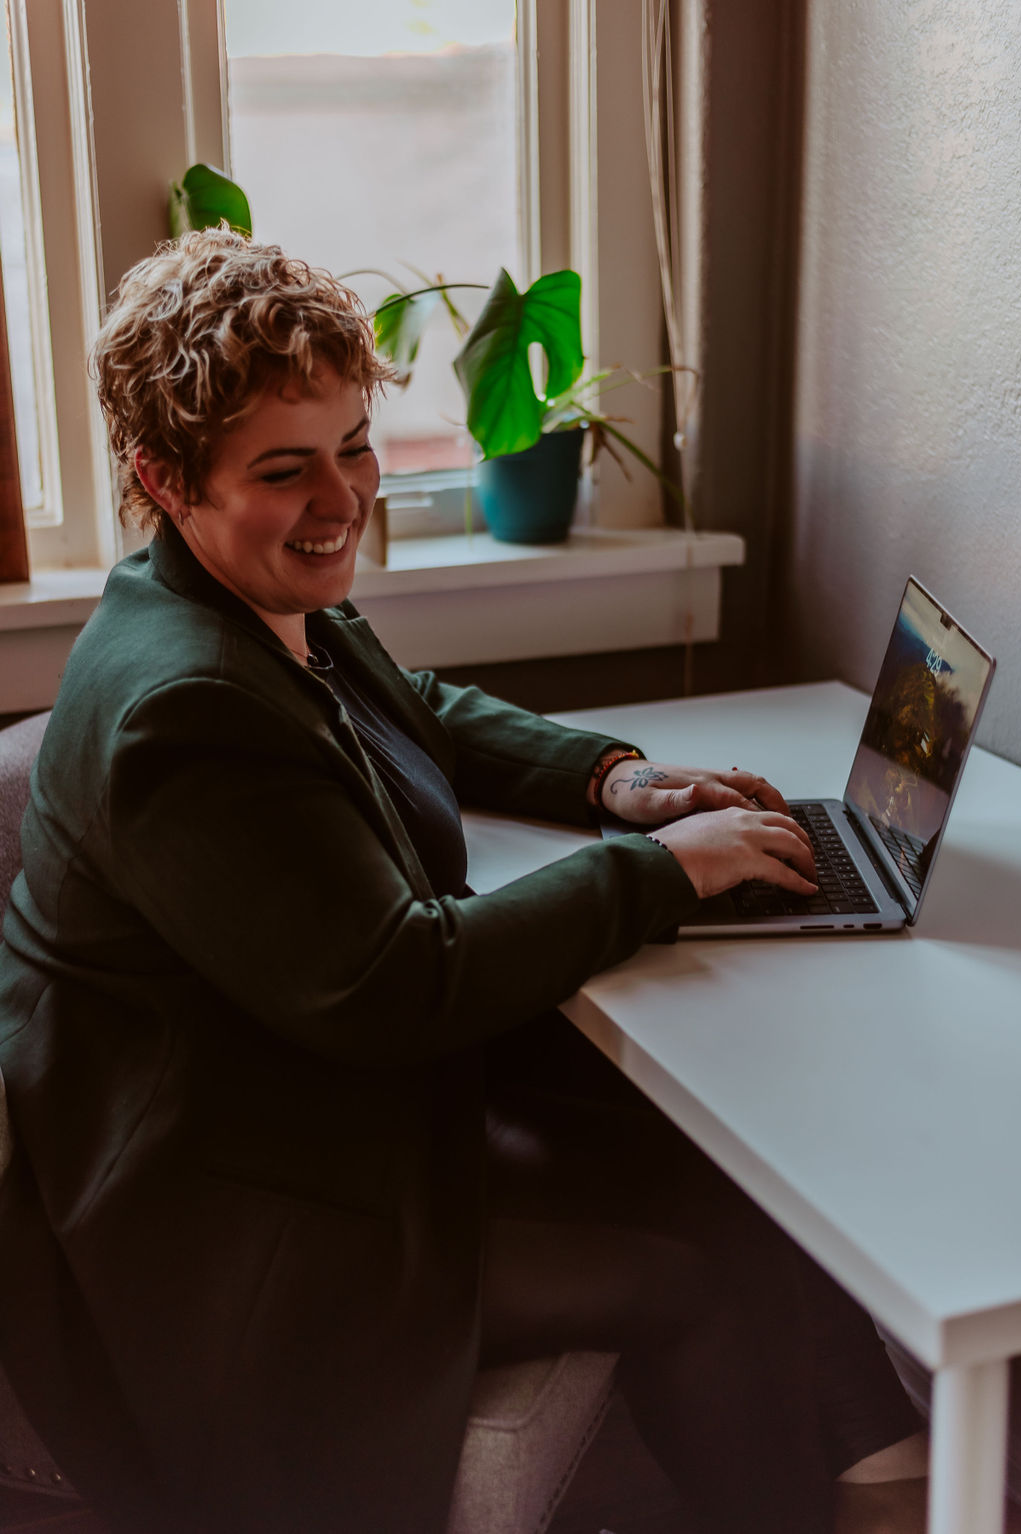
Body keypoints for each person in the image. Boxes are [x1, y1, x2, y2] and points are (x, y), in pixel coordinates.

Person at [0, 228, 928, 1534]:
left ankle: (872, 1478)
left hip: (309, 1116)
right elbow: (403, 981)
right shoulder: (183, 706)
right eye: (285, 469)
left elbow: (412, 702)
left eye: (355, 446)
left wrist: (610, 776)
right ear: (166, 477)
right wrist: (654, 872)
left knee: (710, 1172)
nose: (342, 499)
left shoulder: (236, 603)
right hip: (227, 1222)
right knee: (695, 1267)